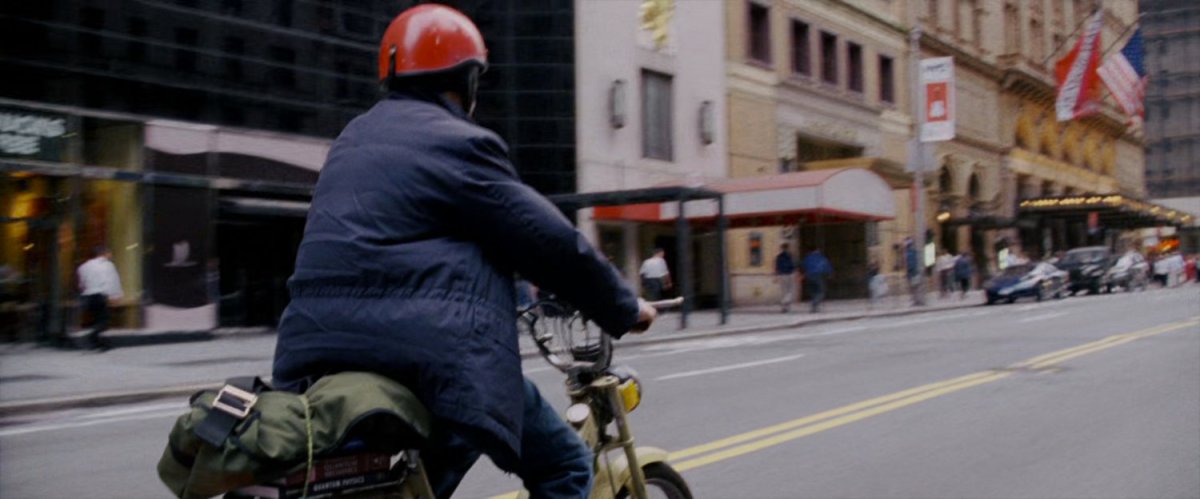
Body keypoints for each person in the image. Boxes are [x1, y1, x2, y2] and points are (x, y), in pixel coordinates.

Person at [270, 6, 657, 498]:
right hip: (425, 360)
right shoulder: (458, 142)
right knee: (564, 465)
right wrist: (625, 307)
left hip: (319, 358)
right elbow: (547, 241)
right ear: (467, 79)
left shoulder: (353, 139)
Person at [76, 246, 123, 351]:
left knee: (96, 320)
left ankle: (98, 344)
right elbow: (113, 281)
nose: (110, 255)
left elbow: (81, 285)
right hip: (100, 296)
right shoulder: (108, 265)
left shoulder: (83, 267)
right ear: (103, 254)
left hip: (87, 297)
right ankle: (93, 338)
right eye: (109, 253)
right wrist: (115, 296)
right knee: (104, 322)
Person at [801, 247, 832, 313]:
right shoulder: (822, 258)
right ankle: (815, 303)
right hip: (818, 276)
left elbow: (803, 265)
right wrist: (829, 274)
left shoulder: (808, 258)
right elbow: (827, 266)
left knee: (813, 291)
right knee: (821, 291)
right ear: (817, 251)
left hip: (809, 276)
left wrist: (803, 274)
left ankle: (815, 305)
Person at [774, 243, 797, 313]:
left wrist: (776, 274)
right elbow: (793, 264)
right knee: (790, 290)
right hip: (789, 274)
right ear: (788, 248)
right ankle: (785, 302)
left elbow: (777, 266)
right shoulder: (791, 256)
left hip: (781, 274)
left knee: (783, 291)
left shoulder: (779, 256)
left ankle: (784, 307)